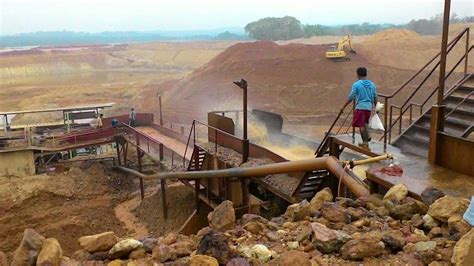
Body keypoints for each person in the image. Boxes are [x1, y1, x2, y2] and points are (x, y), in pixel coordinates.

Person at [342, 67, 377, 149]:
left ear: (357, 74)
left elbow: (351, 96)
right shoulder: (372, 84)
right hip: (368, 107)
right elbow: (375, 96)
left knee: (361, 125)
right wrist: (376, 106)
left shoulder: (356, 84)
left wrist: (343, 106)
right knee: (365, 122)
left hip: (360, 107)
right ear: (366, 74)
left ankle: (365, 143)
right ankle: (368, 135)